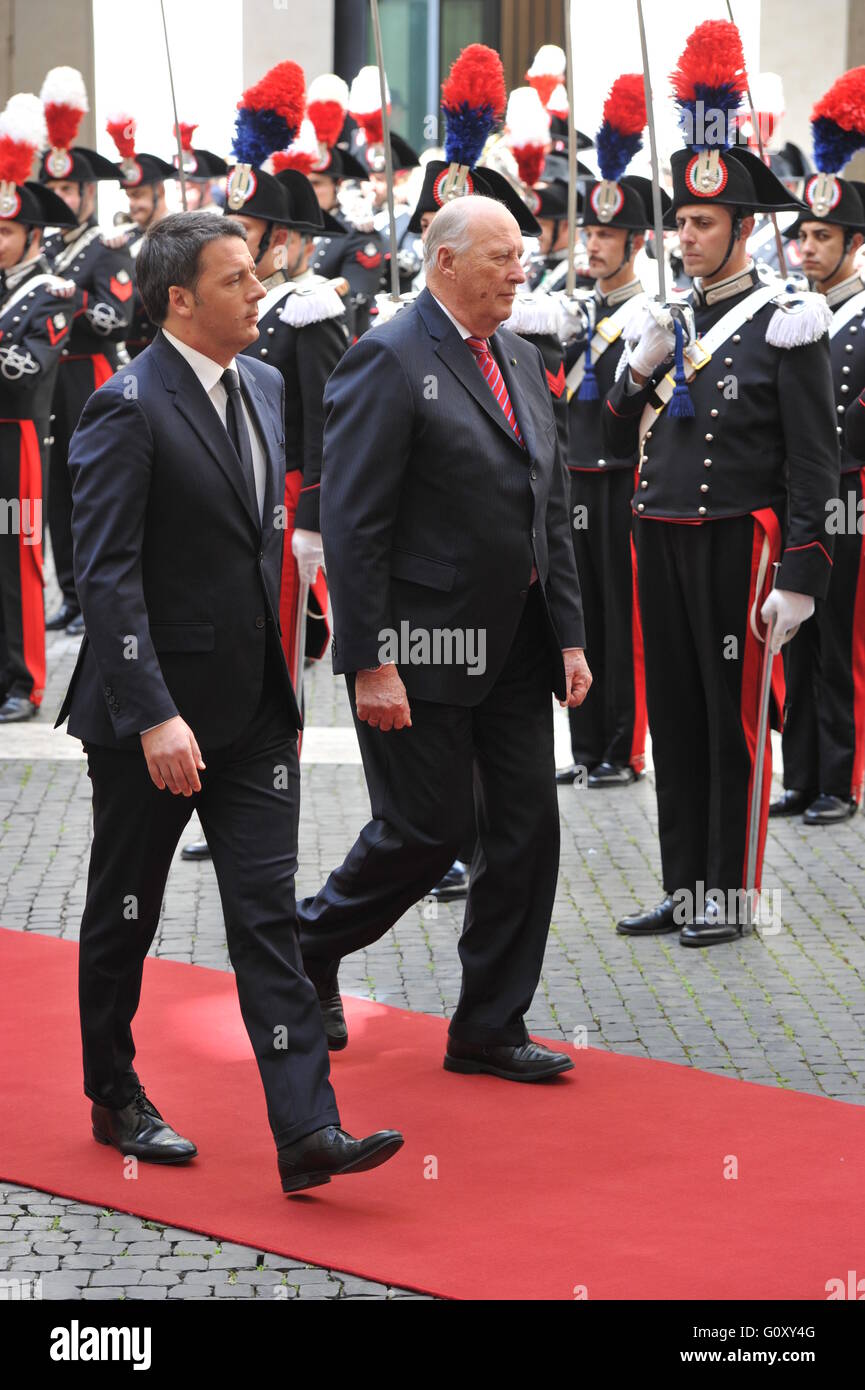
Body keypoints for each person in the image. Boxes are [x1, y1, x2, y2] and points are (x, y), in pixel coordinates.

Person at [55, 212, 402, 1195]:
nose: (261, 291)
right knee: (128, 909)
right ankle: (113, 1089)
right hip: (149, 718)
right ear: (179, 300)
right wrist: (155, 712)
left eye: (257, 274)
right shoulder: (127, 407)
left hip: (254, 713)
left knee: (265, 919)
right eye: (239, 279)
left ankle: (307, 1129)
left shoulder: (262, 380)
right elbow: (107, 575)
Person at [298, 195, 591, 1082]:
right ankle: (307, 944)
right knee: (426, 832)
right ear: (444, 262)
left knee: (523, 835)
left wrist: (570, 638)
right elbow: (354, 525)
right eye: (500, 257)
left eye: (521, 256)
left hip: (518, 646)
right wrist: (370, 661)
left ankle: (489, 1026)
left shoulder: (523, 358)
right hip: (419, 649)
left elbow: (551, 513)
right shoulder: (386, 358)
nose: (518, 271)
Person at [603, 20, 839, 947]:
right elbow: (614, 432)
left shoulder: (789, 321)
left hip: (740, 540)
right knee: (677, 716)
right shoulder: (662, 318)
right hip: (658, 529)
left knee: (734, 724)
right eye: (681, 223)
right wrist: (631, 372)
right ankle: (681, 884)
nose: (686, 237)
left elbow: (815, 460)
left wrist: (803, 574)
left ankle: (730, 897)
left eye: (703, 224)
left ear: (743, 227)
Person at [181, 163, 350, 865]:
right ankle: (212, 794)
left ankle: (264, 799)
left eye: (247, 233)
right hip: (223, 491)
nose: (235, 244)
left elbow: (326, 425)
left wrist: (311, 517)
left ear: (281, 241)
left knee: (275, 659)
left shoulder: (310, 309)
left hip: (281, 502)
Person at [770, 74, 865, 825]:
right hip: (803, 493)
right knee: (794, 634)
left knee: (842, 641)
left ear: (853, 244)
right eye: (800, 236)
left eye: (821, 238)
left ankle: (840, 777)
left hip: (853, 495)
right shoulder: (794, 316)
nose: (805, 250)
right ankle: (799, 772)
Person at [556, 74, 655, 789]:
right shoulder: (572, 308)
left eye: (604, 235)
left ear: (635, 242)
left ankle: (622, 748)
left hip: (625, 479)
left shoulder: (652, 310)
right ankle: (585, 745)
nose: (590, 246)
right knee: (577, 617)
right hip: (573, 477)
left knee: (620, 622)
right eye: (587, 232)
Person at [38, 68, 135, 638]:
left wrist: (69, 300)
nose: (61, 198)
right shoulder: (44, 246)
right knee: (55, 493)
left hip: (90, 377)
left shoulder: (103, 248)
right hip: (49, 382)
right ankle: (70, 594)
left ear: (86, 193)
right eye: (54, 190)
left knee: (90, 489)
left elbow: (112, 318)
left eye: (70, 190)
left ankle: (94, 596)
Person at [0, 95, 80, 724]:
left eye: (4, 230)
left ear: (30, 233)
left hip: (19, 440)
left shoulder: (53, 293)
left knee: (18, 556)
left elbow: (23, 369)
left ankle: (24, 681)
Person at [105, 112, 176, 357]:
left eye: (138, 196)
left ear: (159, 190)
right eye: (129, 197)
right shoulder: (125, 237)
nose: (132, 205)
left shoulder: (179, 233)